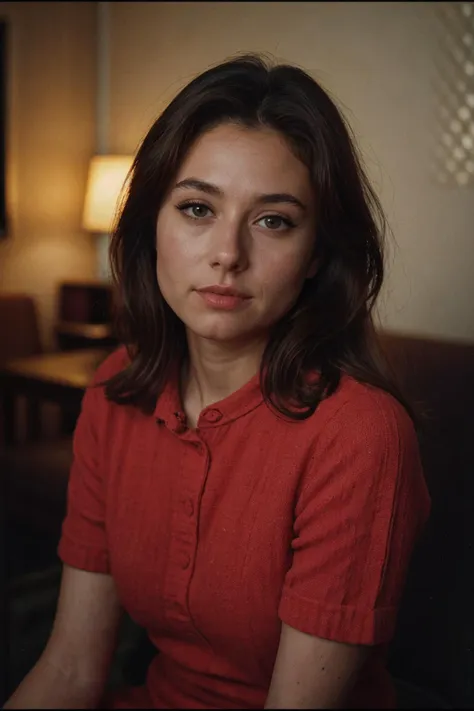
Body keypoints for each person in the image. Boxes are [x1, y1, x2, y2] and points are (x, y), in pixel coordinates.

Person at [4, 53, 430, 710]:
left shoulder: (361, 434)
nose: (227, 254)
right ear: (153, 223)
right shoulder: (116, 387)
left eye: (273, 219)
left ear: (317, 253)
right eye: (198, 208)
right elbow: (68, 670)